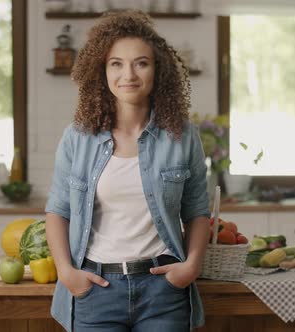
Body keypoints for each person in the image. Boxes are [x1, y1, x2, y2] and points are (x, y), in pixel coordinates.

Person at [45, 10, 211, 332]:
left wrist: (190, 267)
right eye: (116, 63)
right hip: (96, 290)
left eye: (141, 62)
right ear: (102, 70)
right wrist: (66, 272)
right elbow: (57, 210)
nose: (129, 74)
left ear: (157, 70)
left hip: (163, 290)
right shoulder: (77, 137)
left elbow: (197, 211)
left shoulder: (182, 135)